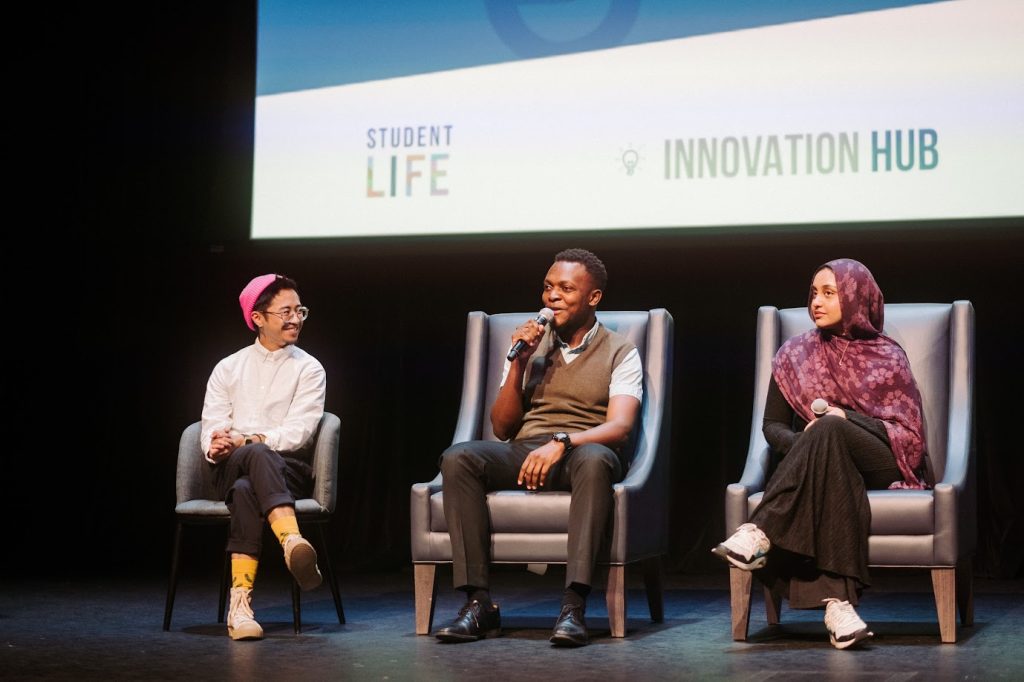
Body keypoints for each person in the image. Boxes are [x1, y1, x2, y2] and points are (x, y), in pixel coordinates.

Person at [712, 258, 930, 650]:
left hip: (883, 457)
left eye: (830, 293)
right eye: (814, 293)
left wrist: (843, 419)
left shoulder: (888, 356)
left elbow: (908, 435)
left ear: (856, 298)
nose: (817, 301)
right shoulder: (794, 353)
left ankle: (760, 531)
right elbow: (772, 426)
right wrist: (809, 446)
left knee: (830, 425)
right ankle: (838, 607)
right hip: (828, 464)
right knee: (829, 450)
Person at [434, 248, 643, 647]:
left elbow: (619, 426)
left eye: (566, 288)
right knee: (459, 457)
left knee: (598, 460)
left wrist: (563, 442)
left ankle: (573, 607)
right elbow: (502, 427)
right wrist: (518, 365)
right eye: (548, 287)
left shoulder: (620, 351)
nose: (552, 297)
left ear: (593, 297)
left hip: (583, 449)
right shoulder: (529, 345)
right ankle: (478, 605)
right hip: (527, 447)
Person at [200, 273, 327, 641]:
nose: (296, 319)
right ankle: (290, 541)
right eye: (285, 311)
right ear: (258, 318)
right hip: (231, 467)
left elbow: (300, 431)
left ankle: (240, 606)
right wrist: (217, 444)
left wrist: (249, 440)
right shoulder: (229, 367)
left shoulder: (309, 368)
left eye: (300, 310)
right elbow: (211, 424)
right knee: (249, 460)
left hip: (289, 471)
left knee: (245, 488)